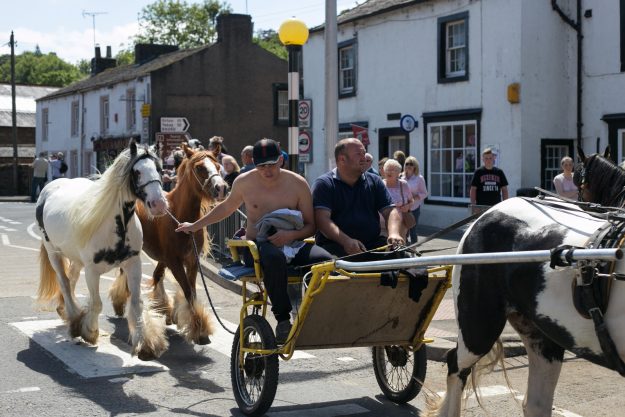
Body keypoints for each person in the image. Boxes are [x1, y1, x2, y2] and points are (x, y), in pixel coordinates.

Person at [176, 138, 332, 343]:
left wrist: (290, 236)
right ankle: (283, 320)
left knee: (326, 261)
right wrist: (195, 225)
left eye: (271, 164)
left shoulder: (298, 183)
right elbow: (226, 208)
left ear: (281, 160)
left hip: (293, 241)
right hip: (257, 246)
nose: (267, 170)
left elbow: (311, 226)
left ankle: (314, 313)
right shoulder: (244, 182)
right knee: (274, 258)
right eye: (261, 166)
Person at [311, 138, 404, 258]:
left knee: (404, 258)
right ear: (342, 159)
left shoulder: (374, 181)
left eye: (364, 153)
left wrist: (394, 233)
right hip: (335, 247)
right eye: (358, 154)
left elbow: (390, 211)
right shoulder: (324, 184)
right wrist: (345, 241)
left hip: (372, 245)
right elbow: (322, 220)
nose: (364, 158)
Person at [382, 159, 413, 240]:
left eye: (393, 170)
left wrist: (407, 206)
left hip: (401, 220)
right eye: (387, 169)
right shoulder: (380, 184)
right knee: (384, 243)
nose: (389, 172)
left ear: (398, 173)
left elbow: (411, 201)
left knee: (399, 242)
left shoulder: (403, 184)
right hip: (382, 221)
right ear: (384, 171)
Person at [402, 156, 428, 244]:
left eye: (411, 164)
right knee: (403, 230)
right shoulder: (401, 177)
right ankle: (403, 249)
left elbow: (424, 193)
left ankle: (414, 249)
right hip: (403, 207)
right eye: (407, 164)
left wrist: (413, 198)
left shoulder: (419, 178)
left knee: (413, 231)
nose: (409, 166)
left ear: (415, 166)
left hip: (414, 208)